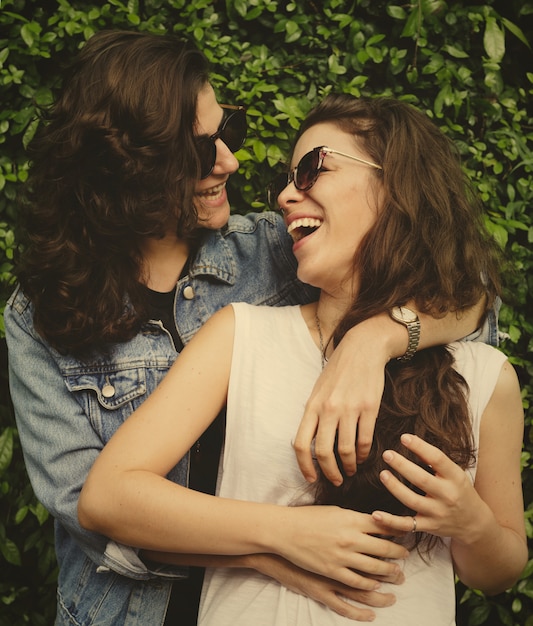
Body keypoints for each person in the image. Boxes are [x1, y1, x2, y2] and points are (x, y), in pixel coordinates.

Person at [5, 29, 495, 626]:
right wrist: (275, 546)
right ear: (125, 168)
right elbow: (92, 510)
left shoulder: (275, 249)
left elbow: (463, 289)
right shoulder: (37, 318)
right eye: (198, 150)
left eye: (225, 132)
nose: (229, 161)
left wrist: (378, 340)